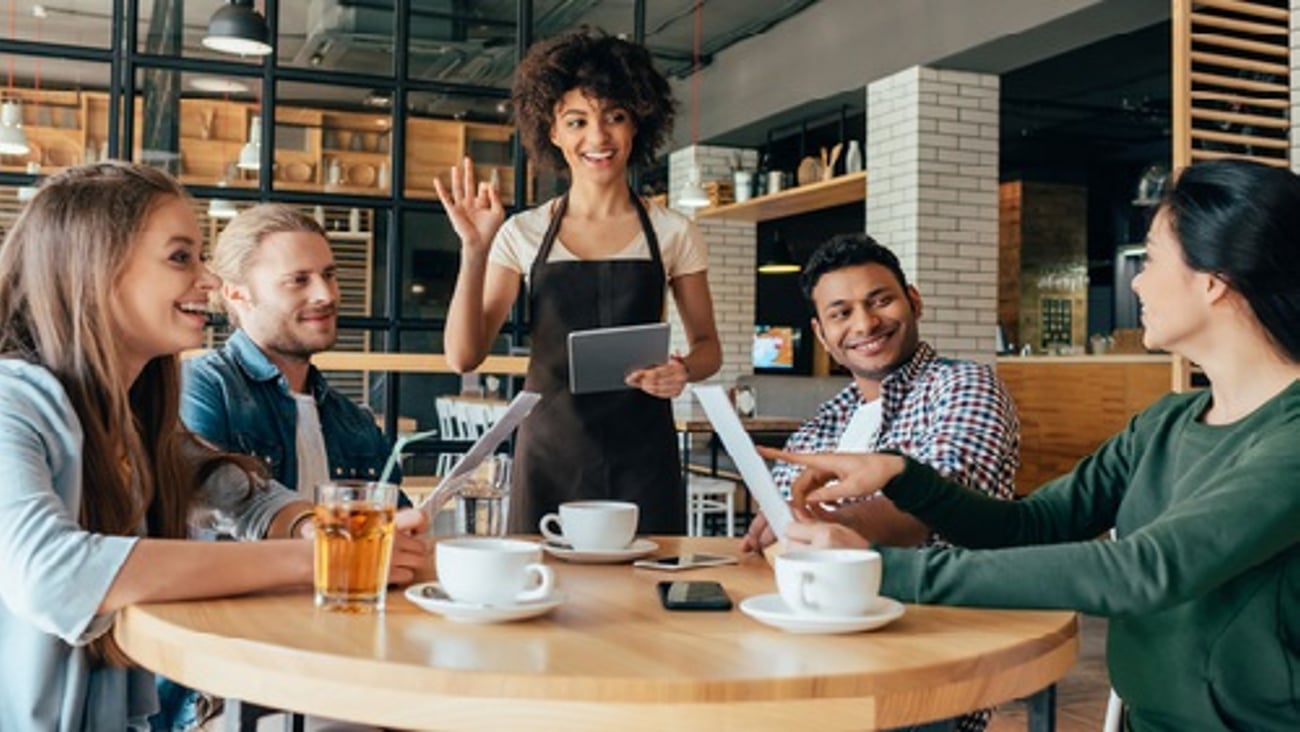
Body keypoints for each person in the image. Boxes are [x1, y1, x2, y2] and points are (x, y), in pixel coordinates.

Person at [768, 159, 1300, 732]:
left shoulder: (1290, 436)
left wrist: (872, 570)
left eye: (1149, 258)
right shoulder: (1164, 424)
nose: (1138, 281)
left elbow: (1144, 570)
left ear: (1213, 281)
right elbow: (1030, 525)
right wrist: (900, 474)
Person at [0, 162, 427, 731]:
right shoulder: (11, 402)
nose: (207, 279)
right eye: (181, 258)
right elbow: (52, 573)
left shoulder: (127, 412)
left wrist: (323, 530)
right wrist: (322, 559)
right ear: (94, 269)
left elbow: (241, 494)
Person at [437, 28, 722, 534]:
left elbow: (708, 348)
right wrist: (474, 250)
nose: (598, 138)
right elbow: (463, 356)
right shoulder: (522, 233)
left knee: (646, 599)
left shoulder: (673, 232)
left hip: (645, 451)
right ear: (552, 131)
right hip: (551, 450)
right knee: (548, 598)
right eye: (577, 121)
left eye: (614, 116)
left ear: (637, 124)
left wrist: (682, 370)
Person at [742, 233, 1018, 732]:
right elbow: (783, 521)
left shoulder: (965, 386)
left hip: (920, 664)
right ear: (822, 333)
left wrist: (827, 527)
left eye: (880, 300)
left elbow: (937, 503)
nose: (865, 324)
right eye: (841, 313)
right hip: (815, 651)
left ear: (913, 301)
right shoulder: (831, 418)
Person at [182, 204, 404, 499]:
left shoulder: (354, 422)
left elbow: (393, 523)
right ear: (236, 293)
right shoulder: (202, 386)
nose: (326, 295)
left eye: (329, 275)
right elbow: (209, 512)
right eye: (298, 280)